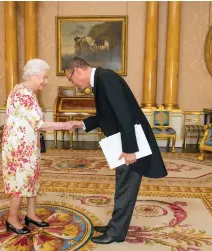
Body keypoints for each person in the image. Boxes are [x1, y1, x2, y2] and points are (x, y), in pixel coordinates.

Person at [65, 57, 168, 244]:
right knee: (122, 184)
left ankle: (116, 233)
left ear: (77, 70)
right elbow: (107, 115)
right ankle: (115, 225)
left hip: (129, 144)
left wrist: (130, 150)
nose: (73, 83)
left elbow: (124, 114)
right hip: (121, 141)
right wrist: (82, 123)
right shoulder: (102, 79)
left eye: (70, 79)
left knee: (126, 187)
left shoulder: (106, 79)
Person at [2, 59, 75, 234]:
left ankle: (31, 214)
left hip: (27, 144)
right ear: (34, 76)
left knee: (31, 177)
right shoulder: (23, 94)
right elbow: (40, 124)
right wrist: (65, 125)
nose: (45, 81)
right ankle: (12, 219)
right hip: (19, 147)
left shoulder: (27, 91)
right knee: (19, 181)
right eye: (44, 77)